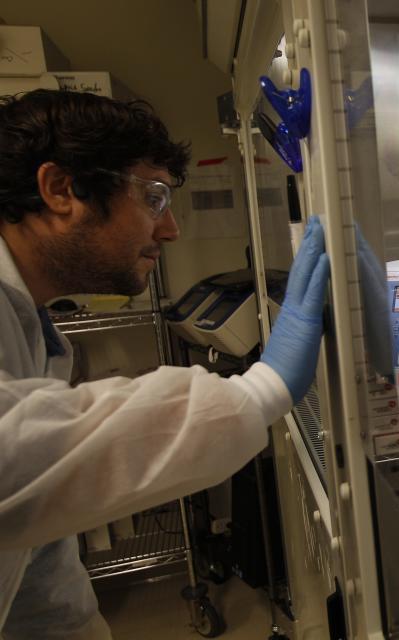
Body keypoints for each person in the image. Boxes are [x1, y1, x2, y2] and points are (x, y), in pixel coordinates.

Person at [0, 89, 331, 639]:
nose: (170, 228)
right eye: (153, 198)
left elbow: (35, 552)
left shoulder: (25, 317)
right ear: (60, 190)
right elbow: (16, 457)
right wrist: (261, 390)